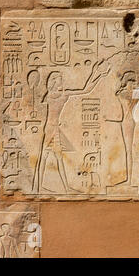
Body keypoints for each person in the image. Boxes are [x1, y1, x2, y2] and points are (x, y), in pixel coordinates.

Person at [33, 59, 111, 193]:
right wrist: (96, 74)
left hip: (53, 128)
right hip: (51, 128)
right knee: (45, 157)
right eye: (59, 79)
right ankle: (38, 188)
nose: (61, 81)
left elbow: (86, 90)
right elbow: (85, 90)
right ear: (54, 82)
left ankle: (59, 188)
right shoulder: (56, 94)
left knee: (55, 157)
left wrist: (97, 74)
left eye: (61, 79)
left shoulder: (53, 94)